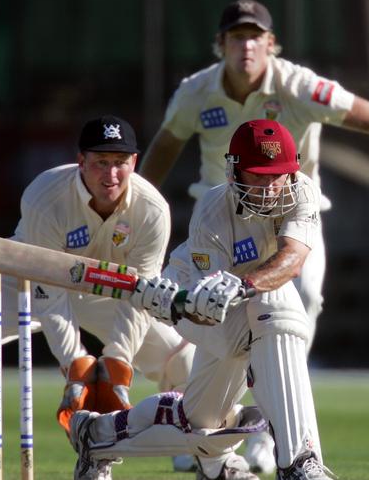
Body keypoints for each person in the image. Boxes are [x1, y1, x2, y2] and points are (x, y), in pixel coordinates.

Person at [139, 0, 369, 473]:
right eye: (236, 37)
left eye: (254, 37)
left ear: (271, 44)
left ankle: (272, 431)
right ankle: (205, 432)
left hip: (291, 214)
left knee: (297, 305)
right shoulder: (195, 92)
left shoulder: (300, 86)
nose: (246, 47)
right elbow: (164, 147)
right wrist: (139, 208)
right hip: (218, 216)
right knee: (208, 317)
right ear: (220, 45)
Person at [0, 115, 194, 480]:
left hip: (109, 292)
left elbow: (138, 294)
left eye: (120, 163)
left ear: (133, 163)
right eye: (101, 163)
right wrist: (75, 362)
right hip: (27, 278)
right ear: (81, 161)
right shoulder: (46, 195)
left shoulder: (152, 210)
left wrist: (117, 362)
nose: (111, 175)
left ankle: (197, 453)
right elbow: (50, 293)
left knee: (181, 358)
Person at [69, 120, 335, 480]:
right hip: (193, 302)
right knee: (277, 306)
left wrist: (243, 285)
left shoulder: (301, 192)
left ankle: (95, 438)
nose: (271, 188)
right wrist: (188, 301)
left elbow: (293, 258)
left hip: (244, 297)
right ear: (234, 172)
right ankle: (300, 462)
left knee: (203, 427)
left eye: (278, 175)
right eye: (259, 176)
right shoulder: (212, 211)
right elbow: (209, 308)